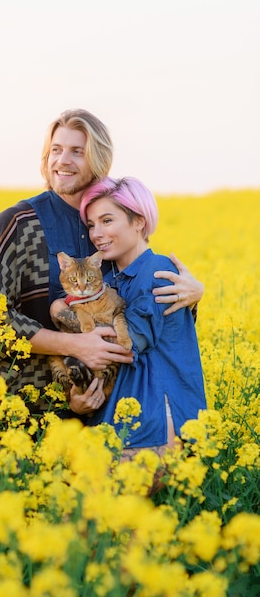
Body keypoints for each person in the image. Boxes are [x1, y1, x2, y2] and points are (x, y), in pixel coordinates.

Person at [0, 109, 203, 413]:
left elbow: (138, 302)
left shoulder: (104, 233)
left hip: (90, 416)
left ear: (99, 160)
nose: (62, 160)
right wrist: (72, 344)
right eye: (56, 150)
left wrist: (189, 297)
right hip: (11, 413)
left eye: (77, 151)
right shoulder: (18, 224)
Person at [58, 176, 206, 455]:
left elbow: (121, 346)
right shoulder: (110, 279)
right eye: (91, 225)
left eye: (107, 221)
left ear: (138, 221)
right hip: (122, 421)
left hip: (156, 423)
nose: (96, 234)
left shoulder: (158, 271)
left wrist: (62, 313)